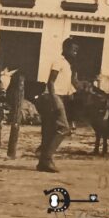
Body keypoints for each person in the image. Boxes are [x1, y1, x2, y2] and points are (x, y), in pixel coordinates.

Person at [34, 37, 78, 173]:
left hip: (58, 97)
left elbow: (65, 84)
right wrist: (55, 102)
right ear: (65, 49)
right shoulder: (59, 61)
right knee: (64, 128)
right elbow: (51, 82)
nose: (75, 52)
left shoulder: (67, 65)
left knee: (50, 130)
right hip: (52, 97)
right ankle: (47, 158)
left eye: (77, 50)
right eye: (73, 49)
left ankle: (42, 163)